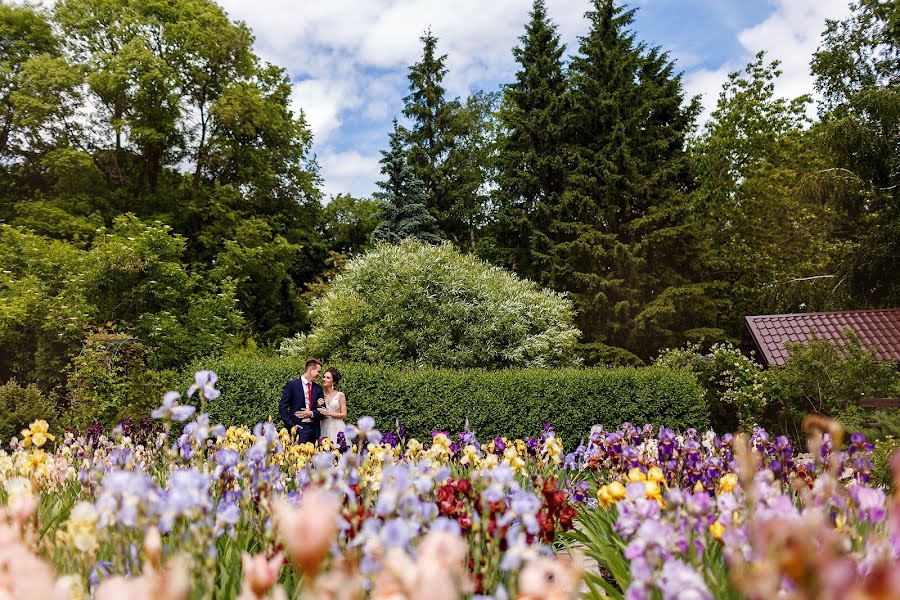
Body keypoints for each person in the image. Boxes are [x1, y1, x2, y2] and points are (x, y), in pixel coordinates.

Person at [279, 359, 324, 444]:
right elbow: (282, 407)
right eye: (318, 371)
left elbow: (323, 410)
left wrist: (311, 413)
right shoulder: (292, 385)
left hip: (314, 430)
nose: (319, 374)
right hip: (299, 428)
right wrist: (292, 426)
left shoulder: (318, 388)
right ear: (310, 370)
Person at [318, 367, 347, 442]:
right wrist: (317, 405)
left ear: (333, 382)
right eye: (324, 377)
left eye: (328, 378)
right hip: (323, 425)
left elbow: (344, 415)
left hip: (337, 427)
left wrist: (329, 413)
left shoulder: (340, 395)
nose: (324, 379)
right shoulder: (319, 394)